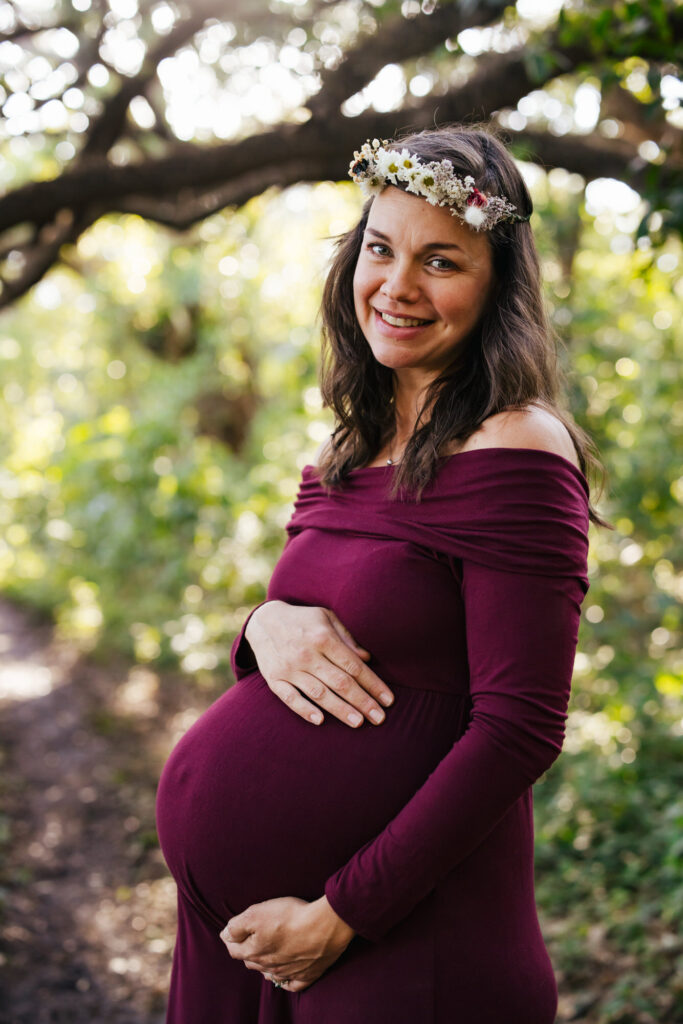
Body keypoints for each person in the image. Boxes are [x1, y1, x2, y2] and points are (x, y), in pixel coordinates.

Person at [155, 124, 607, 1023]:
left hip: (400, 944)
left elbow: (521, 727)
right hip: (243, 945)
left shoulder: (517, 445)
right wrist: (258, 625)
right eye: (380, 250)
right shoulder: (347, 450)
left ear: (495, 288)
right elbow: (310, 632)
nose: (397, 287)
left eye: (441, 261)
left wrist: (341, 914)